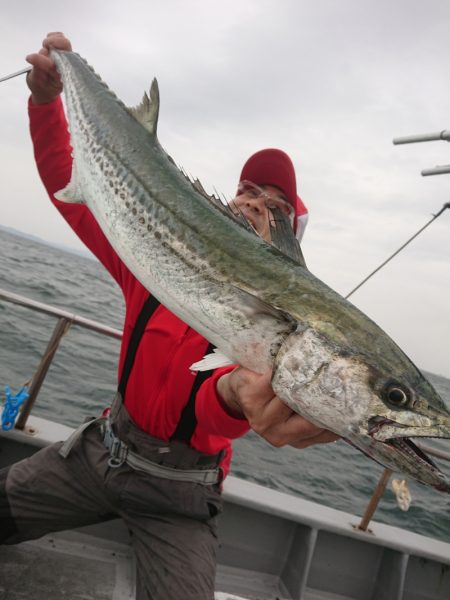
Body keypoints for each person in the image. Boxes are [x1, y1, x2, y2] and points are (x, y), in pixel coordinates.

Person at [0, 32, 338, 600]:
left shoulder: (271, 328)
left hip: (180, 499)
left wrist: (235, 401)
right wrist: (43, 102)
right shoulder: (148, 258)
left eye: (275, 208)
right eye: (248, 190)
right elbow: (69, 185)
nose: (254, 200)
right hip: (98, 454)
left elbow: (218, 404)